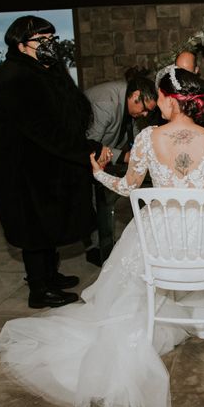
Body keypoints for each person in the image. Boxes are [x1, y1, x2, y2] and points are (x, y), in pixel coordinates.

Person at [0, 66, 204, 407]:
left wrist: (98, 172)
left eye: (160, 98)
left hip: (162, 243)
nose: (155, 107)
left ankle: (165, 307)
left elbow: (129, 188)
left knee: (130, 271)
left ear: (169, 99)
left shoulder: (147, 137)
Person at [0, 15, 111, 309]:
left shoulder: (41, 72)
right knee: (33, 228)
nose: (49, 45)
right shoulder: (17, 78)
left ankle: (49, 275)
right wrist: (89, 149)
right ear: (20, 45)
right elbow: (46, 131)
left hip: (40, 166)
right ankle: (39, 289)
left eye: (52, 39)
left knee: (47, 224)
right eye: (40, 41)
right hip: (21, 170)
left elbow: (61, 124)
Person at [84, 70, 158, 265]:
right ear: (135, 96)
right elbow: (90, 143)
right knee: (93, 200)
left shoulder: (128, 102)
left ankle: (103, 244)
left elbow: (134, 138)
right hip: (85, 157)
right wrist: (125, 156)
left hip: (105, 155)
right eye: (144, 110)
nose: (144, 115)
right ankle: (96, 247)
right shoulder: (106, 104)